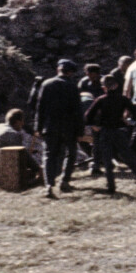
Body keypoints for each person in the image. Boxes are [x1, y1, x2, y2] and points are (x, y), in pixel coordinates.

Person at [83, 72, 136, 192]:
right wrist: (128, 121)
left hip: (105, 131)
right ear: (117, 85)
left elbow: (88, 115)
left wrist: (94, 125)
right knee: (129, 157)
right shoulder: (123, 99)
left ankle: (111, 186)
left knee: (107, 160)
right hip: (118, 131)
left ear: (103, 87)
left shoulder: (100, 100)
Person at [33, 59, 86, 197]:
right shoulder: (72, 87)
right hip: (69, 128)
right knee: (71, 154)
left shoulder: (46, 84)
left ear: (58, 70)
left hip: (50, 127)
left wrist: (38, 127)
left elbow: (40, 108)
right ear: (70, 72)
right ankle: (64, 180)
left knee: (49, 155)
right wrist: (80, 130)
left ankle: (49, 185)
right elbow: (78, 111)